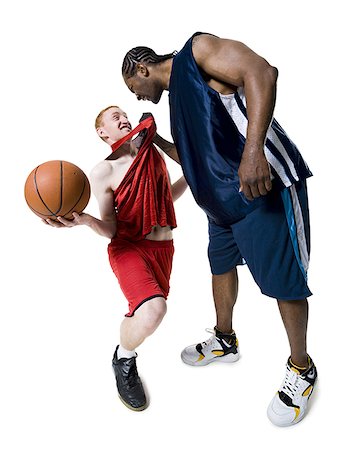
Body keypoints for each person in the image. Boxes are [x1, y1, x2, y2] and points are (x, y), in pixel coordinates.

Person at [122, 32, 317, 426]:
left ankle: (302, 368)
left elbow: (262, 72)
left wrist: (253, 152)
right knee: (220, 268)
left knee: (284, 283)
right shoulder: (177, 102)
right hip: (221, 206)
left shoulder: (198, 52)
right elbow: (192, 157)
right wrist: (155, 139)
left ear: (142, 68)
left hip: (259, 186)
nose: (138, 97)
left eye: (134, 88)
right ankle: (225, 341)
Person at [44, 106, 187, 411]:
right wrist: (84, 220)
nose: (123, 117)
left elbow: (165, 198)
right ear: (102, 132)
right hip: (128, 248)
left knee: (150, 311)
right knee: (153, 311)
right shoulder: (103, 172)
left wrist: (192, 175)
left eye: (124, 113)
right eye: (114, 117)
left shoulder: (153, 155)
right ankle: (123, 356)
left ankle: (127, 345)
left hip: (164, 250)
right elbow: (111, 226)